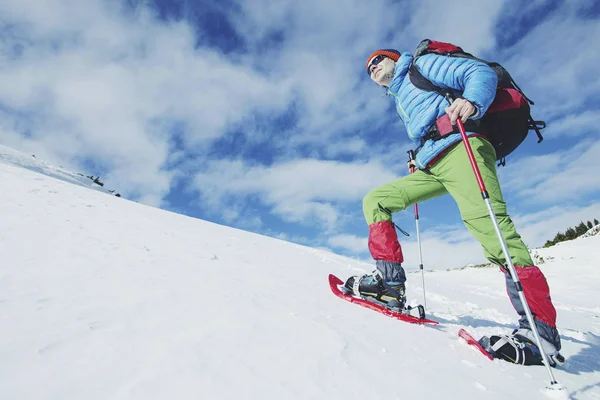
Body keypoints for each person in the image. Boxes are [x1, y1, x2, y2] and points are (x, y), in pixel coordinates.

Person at [344, 47, 562, 363]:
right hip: (434, 165)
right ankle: (389, 285)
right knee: (376, 200)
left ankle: (540, 332)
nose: (373, 66)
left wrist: (472, 102)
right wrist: (421, 159)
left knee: (490, 229)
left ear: (395, 58)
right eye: (368, 68)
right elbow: (431, 126)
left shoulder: (420, 66)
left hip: (463, 148)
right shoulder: (400, 96)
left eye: (379, 59)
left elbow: (479, 74)